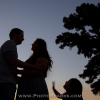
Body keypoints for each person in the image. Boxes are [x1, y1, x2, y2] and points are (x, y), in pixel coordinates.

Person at [0, 28, 43, 100]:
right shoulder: (10, 43)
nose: (23, 39)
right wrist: (34, 66)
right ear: (14, 35)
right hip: (6, 84)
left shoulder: (10, 45)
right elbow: (13, 61)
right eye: (21, 36)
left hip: (6, 84)